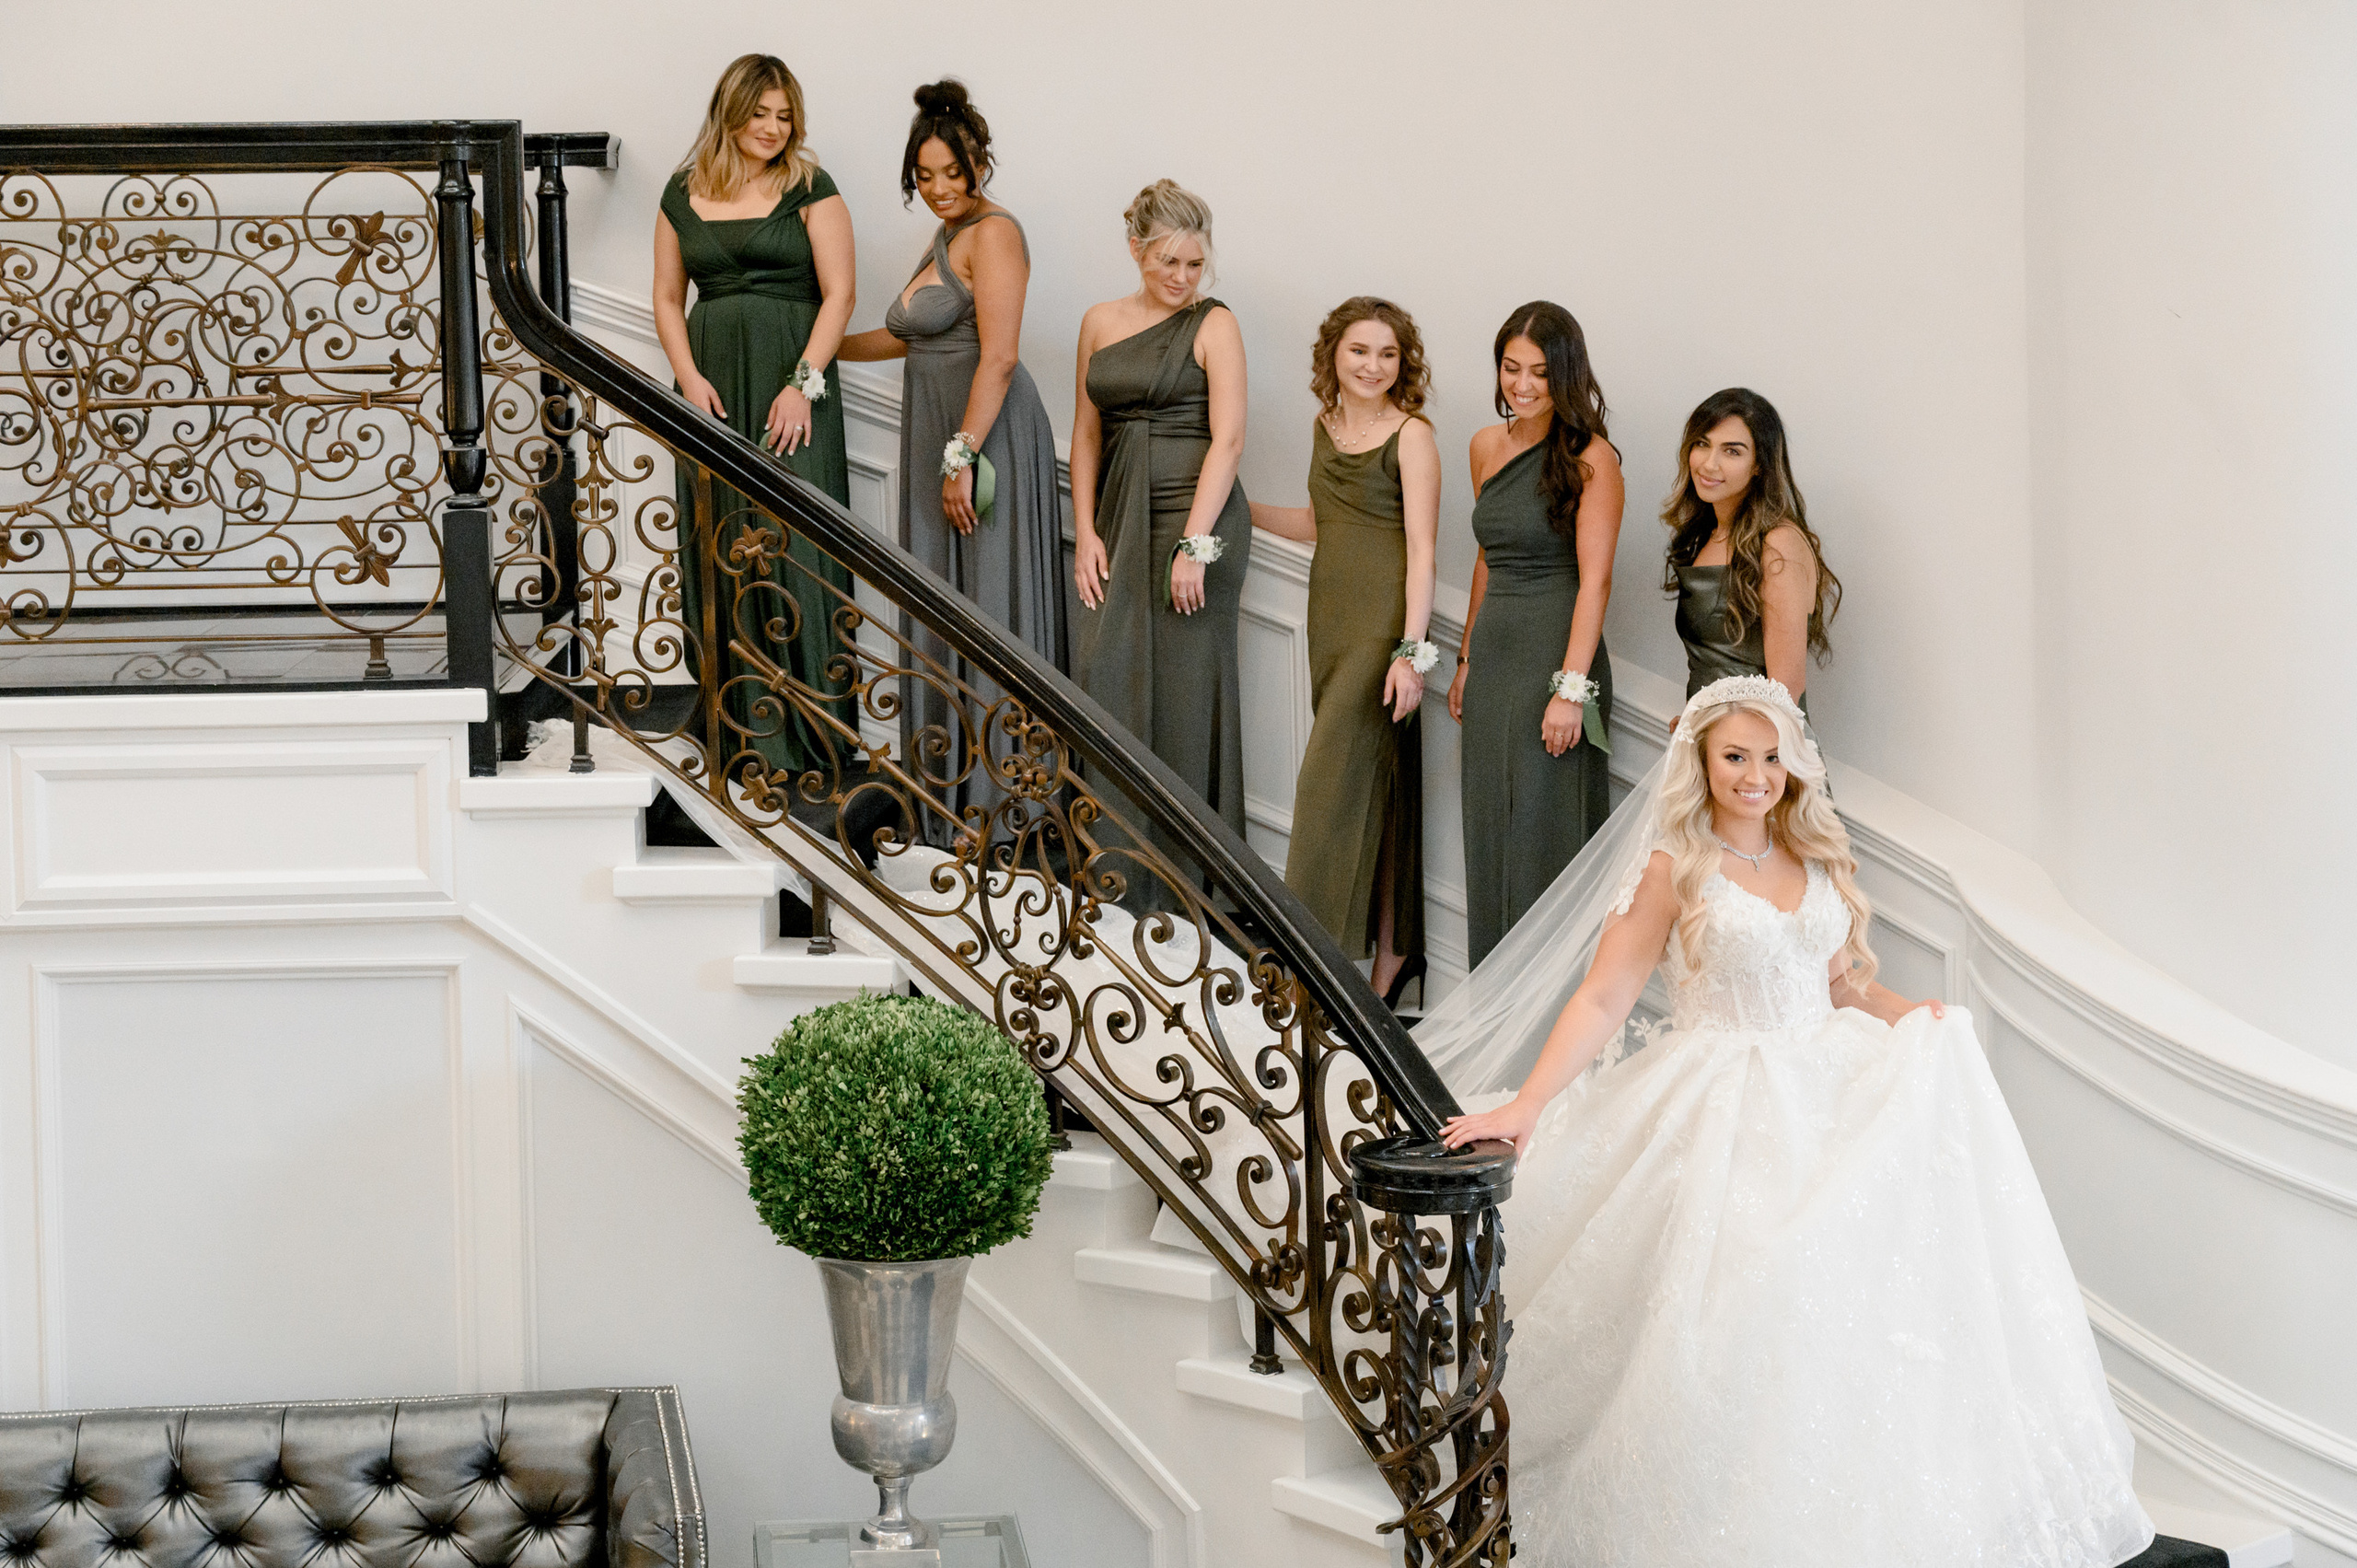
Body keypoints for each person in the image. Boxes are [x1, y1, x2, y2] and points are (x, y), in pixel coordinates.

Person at [1431, 675, 2154, 1568]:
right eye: (1735, 755)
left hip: (1825, 1073)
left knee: (1850, 1287)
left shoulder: (1808, 857)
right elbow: (1607, 991)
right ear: (1700, 760)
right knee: (1738, 1291)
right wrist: (1529, 1100)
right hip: (1718, 1092)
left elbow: (1841, 983)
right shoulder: (1673, 863)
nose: (1756, 775)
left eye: (1770, 757)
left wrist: (1912, 1014)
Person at [838, 79, 1065, 830]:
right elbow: (905, 334)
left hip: (985, 434)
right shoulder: (943, 236)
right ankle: (949, 787)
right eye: (924, 175)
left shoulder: (996, 232)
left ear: (979, 164)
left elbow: (998, 357)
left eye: (953, 173)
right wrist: (815, 355)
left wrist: (961, 455)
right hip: (938, 431)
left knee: (990, 603)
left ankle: (1005, 803)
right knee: (942, 602)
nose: (939, 188)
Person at [653, 52, 857, 780]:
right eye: (760, 112)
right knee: (721, 537)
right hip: (712, 387)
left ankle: (814, 736)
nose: (774, 127)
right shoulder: (682, 191)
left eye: (785, 115)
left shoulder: (811, 186)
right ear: (730, 111)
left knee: (797, 544)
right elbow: (667, 298)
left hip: (789, 385)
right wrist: (687, 379)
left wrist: (804, 384)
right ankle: (737, 732)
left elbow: (840, 295)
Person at [1251, 297, 1439, 1007]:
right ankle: (1393, 960)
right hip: (1327, 620)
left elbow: (1422, 552)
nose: (1373, 366)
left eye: (1388, 354)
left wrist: (1409, 653)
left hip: (1379, 630)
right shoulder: (1323, 426)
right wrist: (1240, 509)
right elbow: (1318, 522)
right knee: (1377, 790)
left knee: (1325, 791)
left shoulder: (1412, 435)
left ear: (1403, 363)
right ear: (1334, 353)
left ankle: (1304, 976)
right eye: (1360, 350)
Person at [1069, 180, 1252, 845]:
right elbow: (1086, 434)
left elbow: (1228, 439)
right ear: (1134, 249)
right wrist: (1086, 529)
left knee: (1183, 696)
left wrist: (1194, 545)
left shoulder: (1215, 323)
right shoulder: (1098, 320)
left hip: (1195, 520)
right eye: (1167, 261)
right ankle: (1116, 863)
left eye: (1194, 263)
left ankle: (1193, 878)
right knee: (1105, 674)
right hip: (1119, 513)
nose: (1182, 277)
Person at [1445, 302, 1620, 968]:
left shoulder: (1592, 458)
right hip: (1494, 655)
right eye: (1511, 368)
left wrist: (1570, 691)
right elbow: (1486, 557)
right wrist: (1464, 659)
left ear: (1566, 375)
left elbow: (1596, 582)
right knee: (1490, 824)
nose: (1522, 384)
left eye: (1540, 372)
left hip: (1557, 652)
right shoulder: (1485, 446)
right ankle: (1492, 1003)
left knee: (1543, 829)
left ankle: (1550, 1022)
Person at [1661, 387, 1841, 709]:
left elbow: (1785, 689)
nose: (1709, 464)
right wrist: (1696, 719)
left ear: (1759, 465)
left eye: (1732, 451)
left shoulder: (1779, 543)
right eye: (1702, 444)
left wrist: (1732, 744)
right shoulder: (1705, 533)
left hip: (1759, 747)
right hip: (1709, 734)